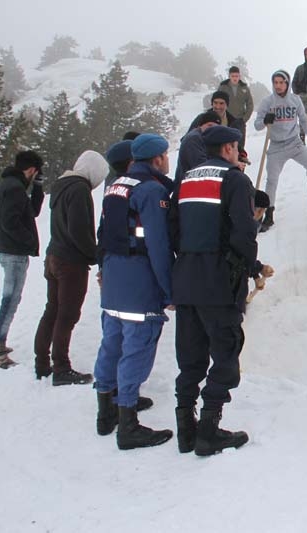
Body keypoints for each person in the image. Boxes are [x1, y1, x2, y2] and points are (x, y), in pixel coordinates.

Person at [171, 125, 265, 456]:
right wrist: (249, 266)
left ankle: (186, 429)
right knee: (225, 354)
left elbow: (173, 229)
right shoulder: (236, 180)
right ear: (227, 148)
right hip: (219, 282)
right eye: (236, 147)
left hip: (185, 279)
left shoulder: (185, 180)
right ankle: (208, 431)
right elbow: (243, 232)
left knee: (190, 358)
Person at [93, 133, 175, 450]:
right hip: (139, 280)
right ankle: (128, 425)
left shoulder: (116, 185)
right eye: (166, 155)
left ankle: (106, 411)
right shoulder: (152, 190)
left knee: (111, 342)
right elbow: (157, 244)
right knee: (137, 348)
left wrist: (102, 270)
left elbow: (104, 234)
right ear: (156, 159)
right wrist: (168, 290)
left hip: (113, 278)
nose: (168, 160)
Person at [33, 151, 108, 385]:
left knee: (52, 310)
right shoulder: (79, 189)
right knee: (67, 315)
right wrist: (95, 255)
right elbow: (78, 230)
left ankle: (42, 363)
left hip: (53, 256)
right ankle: (61, 368)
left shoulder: (61, 185)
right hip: (71, 262)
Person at [254, 69, 307, 231]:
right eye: (276, 83)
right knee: (272, 180)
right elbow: (257, 124)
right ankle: (269, 215)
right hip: (276, 146)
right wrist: (265, 120)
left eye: (282, 82)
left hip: (294, 143)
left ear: (287, 83)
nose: (278, 86)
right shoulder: (267, 102)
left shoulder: (295, 100)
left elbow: (303, 120)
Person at [0, 150, 45, 369]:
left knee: (10, 298)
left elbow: (32, 211)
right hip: (14, 253)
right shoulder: (14, 188)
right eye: (36, 175)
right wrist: (29, 241)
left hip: (9, 251)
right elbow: (9, 223)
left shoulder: (12, 185)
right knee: (10, 300)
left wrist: (38, 187)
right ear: (31, 170)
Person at [174, 110, 221, 184]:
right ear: (201, 125)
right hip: (186, 188)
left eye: (216, 127)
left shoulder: (206, 138)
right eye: (209, 125)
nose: (212, 129)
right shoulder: (193, 139)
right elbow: (202, 167)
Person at [217, 66, 254, 151]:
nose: (235, 78)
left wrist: (244, 119)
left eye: (236, 76)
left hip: (240, 121)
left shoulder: (244, 88)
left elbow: (250, 104)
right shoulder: (223, 87)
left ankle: (240, 161)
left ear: (239, 76)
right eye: (233, 76)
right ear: (229, 76)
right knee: (225, 145)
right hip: (225, 121)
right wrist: (220, 117)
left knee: (240, 146)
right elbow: (217, 102)